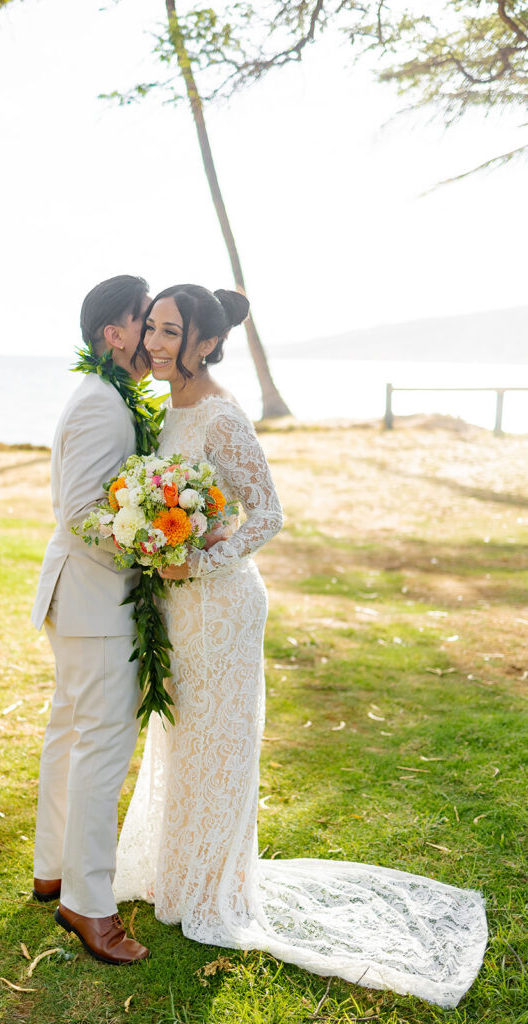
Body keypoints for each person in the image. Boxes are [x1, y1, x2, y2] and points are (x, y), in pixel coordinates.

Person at [112, 283, 488, 1007]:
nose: (153, 343)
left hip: (221, 606)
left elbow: (267, 513)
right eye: (152, 328)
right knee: (183, 738)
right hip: (176, 606)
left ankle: (212, 888)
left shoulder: (221, 414)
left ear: (205, 344)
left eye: (168, 332)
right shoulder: (164, 407)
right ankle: (179, 873)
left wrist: (202, 557)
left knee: (217, 743)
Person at [30, 274, 152, 965]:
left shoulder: (100, 395)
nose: (153, 332)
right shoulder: (104, 405)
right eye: (145, 320)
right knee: (101, 746)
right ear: (116, 333)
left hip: (76, 596)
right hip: (95, 601)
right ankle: (87, 902)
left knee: (71, 732)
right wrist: (152, 549)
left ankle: (53, 868)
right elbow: (80, 513)